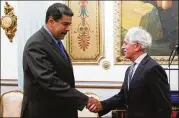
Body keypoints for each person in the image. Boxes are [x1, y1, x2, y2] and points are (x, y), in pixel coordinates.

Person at [20, 3, 98, 118]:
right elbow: (49, 81)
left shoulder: (55, 42)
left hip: (59, 110)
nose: (68, 29)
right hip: (43, 112)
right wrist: (85, 100)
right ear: (51, 22)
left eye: (69, 24)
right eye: (65, 24)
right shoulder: (36, 44)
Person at [87, 26, 172, 118]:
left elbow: (164, 106)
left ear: (137, 46)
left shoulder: (153, 68)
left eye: (125, 43)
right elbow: (123, 96)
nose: (122, 47)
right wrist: (102, 105)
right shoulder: (130, 69)